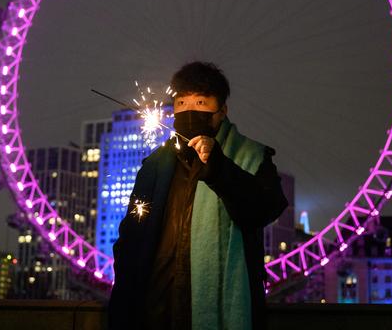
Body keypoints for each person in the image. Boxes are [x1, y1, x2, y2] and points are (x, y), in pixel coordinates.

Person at [108, 61, 289, 330]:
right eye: (181, 103)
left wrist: (218, 168)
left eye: (201, 103)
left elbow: (265, 209)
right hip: (156, 311)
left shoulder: (253, 157)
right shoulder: (155, 166)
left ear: (222, 111)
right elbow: (132, 237)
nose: (189, 111)